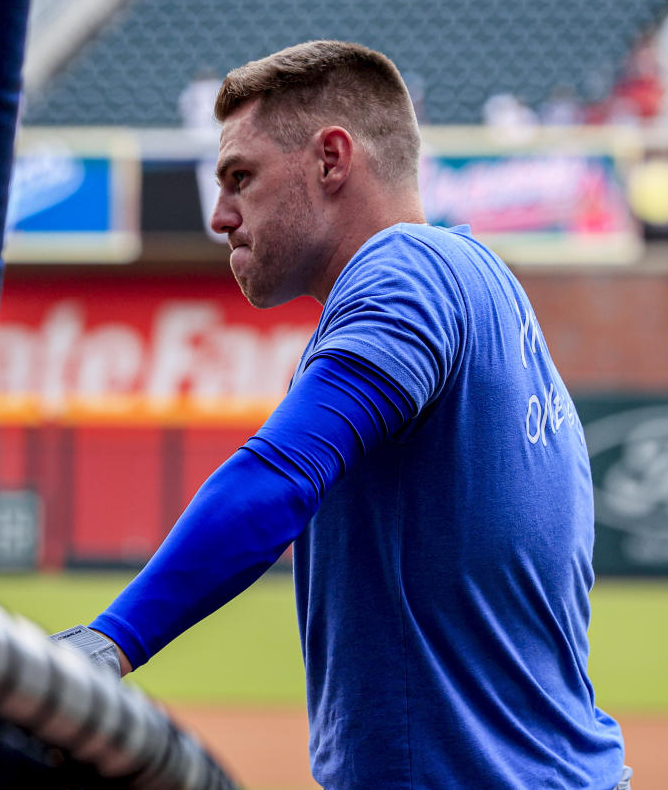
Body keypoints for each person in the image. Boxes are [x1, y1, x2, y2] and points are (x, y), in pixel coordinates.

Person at [52, 40, 630, 789]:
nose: (220, 215)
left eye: (239, 177)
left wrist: (107, 644)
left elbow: (280, 477)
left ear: (331, 160)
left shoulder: (409, 274)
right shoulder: (479, 283)